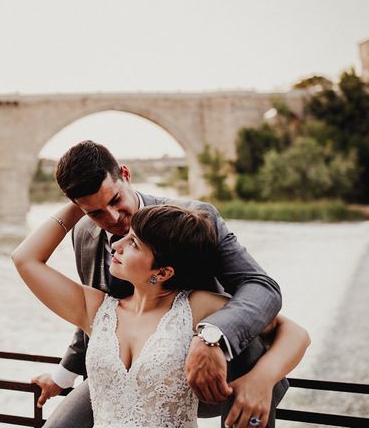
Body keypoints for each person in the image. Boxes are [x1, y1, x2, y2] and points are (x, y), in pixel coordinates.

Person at [29, 141, 289, 427]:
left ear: (125, 175)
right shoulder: (83, 233)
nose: (113, 219)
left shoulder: (193, 220)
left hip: (218, 373)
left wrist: (212, 338)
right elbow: (98, 319)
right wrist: (62, 377)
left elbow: (260, 287)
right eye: (95, 212)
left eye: (115, 200)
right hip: (128, 376)